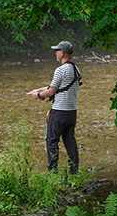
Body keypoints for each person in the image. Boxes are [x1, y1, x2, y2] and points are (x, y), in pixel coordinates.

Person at [27, 41, 82, 174]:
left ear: (62, 53)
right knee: (70, 141)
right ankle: (74, 172)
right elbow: (57, 88)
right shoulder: (75, 69)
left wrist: (38, 95)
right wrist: (37, 89)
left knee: (51, 141)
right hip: (71, 113)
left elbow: (51, 92)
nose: (56, 53)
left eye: (57, 51)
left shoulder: (60, 70)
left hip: (59, 112)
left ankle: (52, 173)